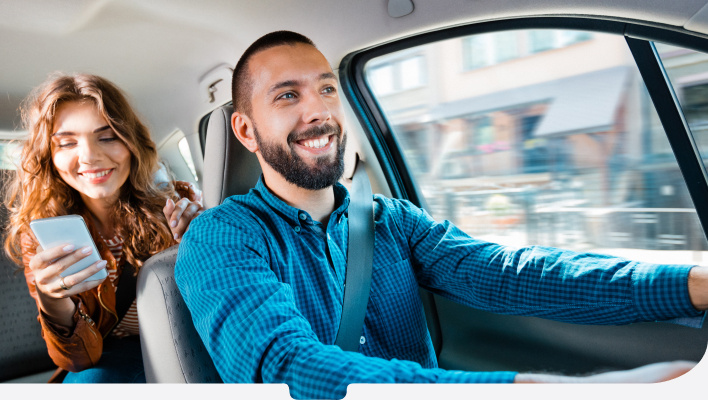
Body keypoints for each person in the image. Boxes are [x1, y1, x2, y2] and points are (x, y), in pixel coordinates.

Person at [174, 31, 708, 399]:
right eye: (287, 95)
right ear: (245, 130)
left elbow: (508, 274)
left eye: (328, 89)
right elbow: (288, 370)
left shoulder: (392, 221)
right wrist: (548, 389)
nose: (320, 111)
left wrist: (691, 284)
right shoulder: (220, 239)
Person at [3, 73, 203, 383]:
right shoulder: (41, 238)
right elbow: (79, 360)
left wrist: (202, 244)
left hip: (185, 342)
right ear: (50, 156)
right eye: (67, 142)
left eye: (107, 136)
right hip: (110, 354)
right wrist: (52, 300)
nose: (89, 157)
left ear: (132, 143)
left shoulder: (179, 203)